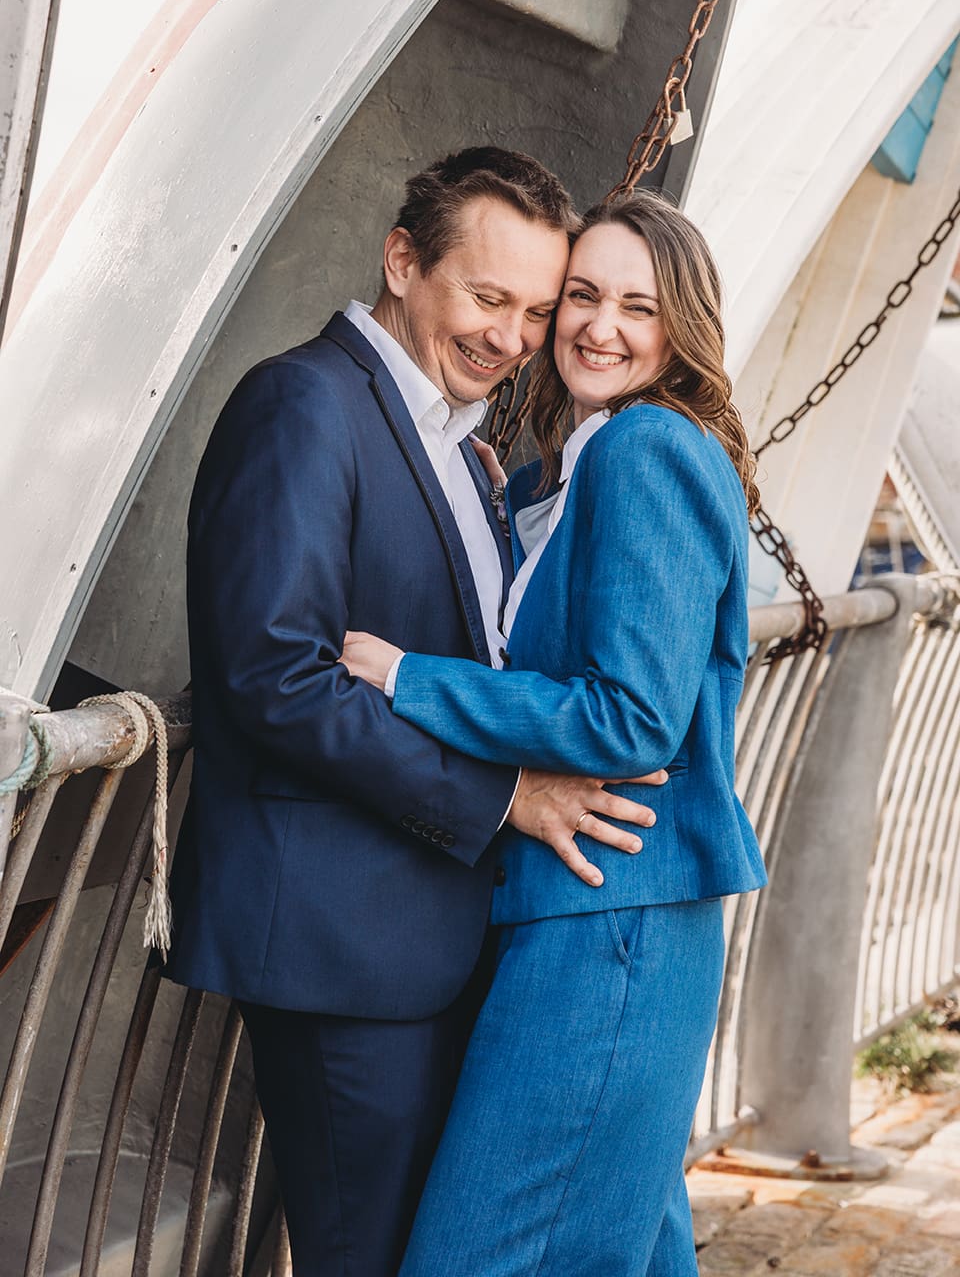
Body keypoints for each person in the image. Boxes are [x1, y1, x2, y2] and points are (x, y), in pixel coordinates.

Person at [163, 148, 664, 1277]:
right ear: (402, 261)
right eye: (489, 298)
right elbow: (273, 676)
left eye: (537, 311)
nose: (512, 337)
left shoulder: (456, 441)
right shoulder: (301, 401)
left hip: (420, 937)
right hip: (342, 945)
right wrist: (504, 802)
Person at [341, 190, 769, 1276]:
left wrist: (409, 680)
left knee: (485, 1255)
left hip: (606, 923)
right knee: (624, 1248)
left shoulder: (644, 452)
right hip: (612, 916)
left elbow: (632, 716)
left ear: (681, 326)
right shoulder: (582, 460)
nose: (599, 327)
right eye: (580, 296)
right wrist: (501, 497)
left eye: (637, 305)